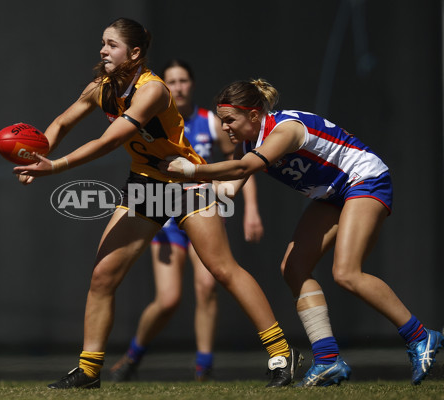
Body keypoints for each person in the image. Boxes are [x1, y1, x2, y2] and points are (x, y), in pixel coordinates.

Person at [13, 19, 301, 389]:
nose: (103, 50)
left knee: (222, 270)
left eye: (112, 45)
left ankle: (281, 354)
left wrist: (55, 166)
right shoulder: (102, 88)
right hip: (146, 184)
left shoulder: (152, 91)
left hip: (186, 182)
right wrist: (39, 151)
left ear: (134, 53)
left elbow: (111, 140)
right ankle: (88, 371)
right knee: (103, 276)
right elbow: (61, 123)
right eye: (102, 43)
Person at [163, 78, 444, 386]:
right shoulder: (248, 143)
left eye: (230, 120)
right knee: (294, 268)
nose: (226, 127)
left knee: (347, 273)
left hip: (364, 179)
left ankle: (420, 336)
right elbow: (228, 189)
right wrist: (186, 188)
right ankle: (328, 360)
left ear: (254, 115)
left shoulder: (285, 130)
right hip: (332, 194)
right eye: (222, 121)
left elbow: (243, 170)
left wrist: (192, 170)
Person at [109, 59, 264, 382]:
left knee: (209, 283)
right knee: (168, 299)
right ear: (161, 87)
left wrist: (250, 208)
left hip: (201, 207)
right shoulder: (152, 119)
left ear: (191, 84)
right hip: (162, 211)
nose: (177, 87)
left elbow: (241, 162)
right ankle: (133, 356)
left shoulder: (213, 122)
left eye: (183, 81)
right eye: (172, 81)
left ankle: (203, 367)